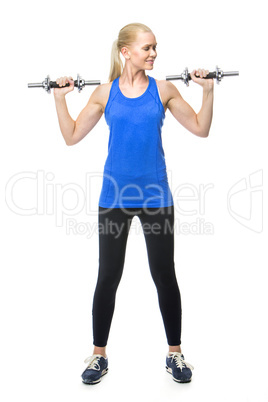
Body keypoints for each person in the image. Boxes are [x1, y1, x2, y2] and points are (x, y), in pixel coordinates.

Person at [53, 22, 214, 385]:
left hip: (157, 198)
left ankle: (175, 354)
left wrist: (208, 90)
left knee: (164, 274)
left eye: (156, 47)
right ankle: (98, 357)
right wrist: (60, 99)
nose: (154, 53)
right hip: (114, 200)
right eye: (147, 48)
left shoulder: (164, 90)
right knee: (107, 276)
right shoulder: (104, 93)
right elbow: (72, 136)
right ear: (126, 52)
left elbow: (201, 128)